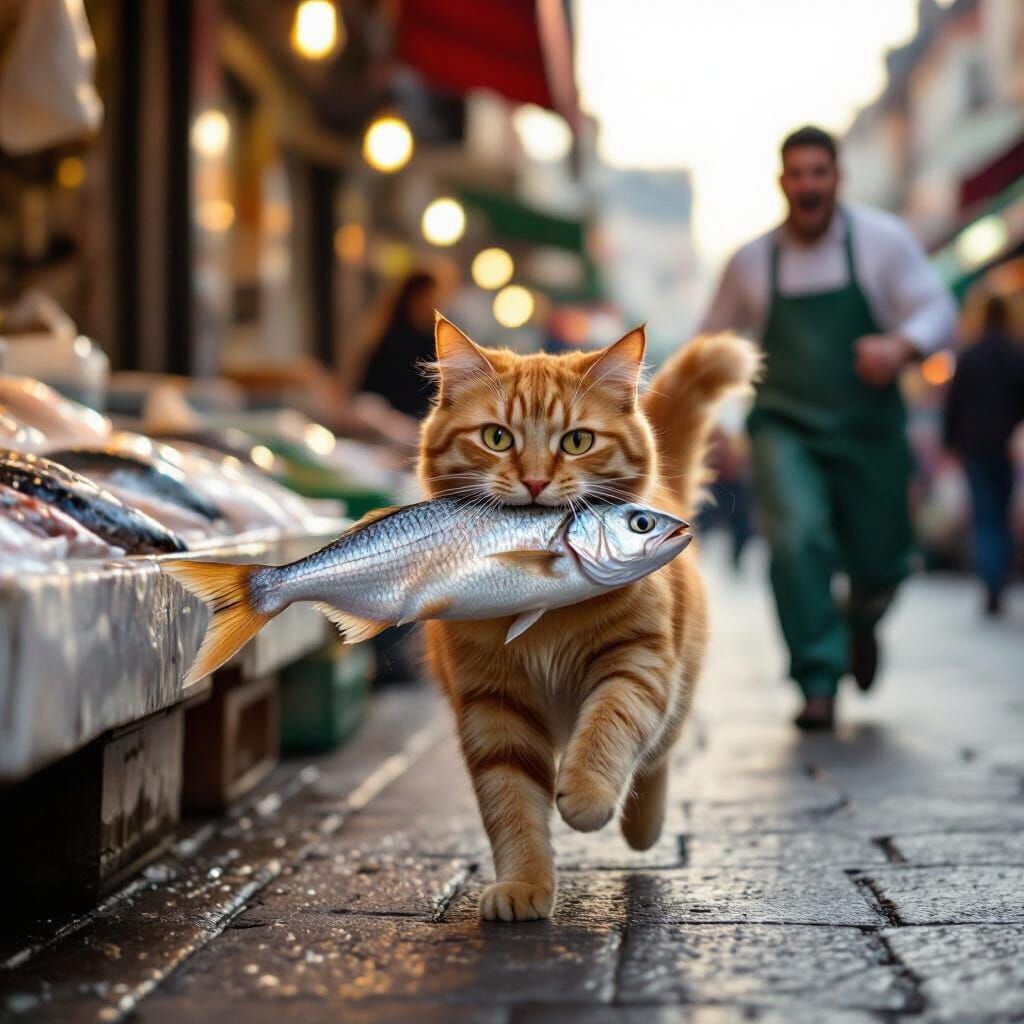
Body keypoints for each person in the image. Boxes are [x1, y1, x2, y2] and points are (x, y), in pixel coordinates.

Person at [699, 125, 957, 730]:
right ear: (782, 183)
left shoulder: (881, 242)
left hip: (869, 429)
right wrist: (701, 413)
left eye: (819, 173)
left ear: (837, 177)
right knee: (795, 540)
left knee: (884, 559)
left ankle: (860, 620)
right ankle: (817, 677)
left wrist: (900, 346)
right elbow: (709, 344)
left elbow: (937, 309)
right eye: (797, 175)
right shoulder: (752, 262)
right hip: (785, 428)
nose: (808, 185)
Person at [944, 293, 1024, 616]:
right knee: (1001, 512)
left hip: (975, 446)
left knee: (984, 514)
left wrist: (951, 441)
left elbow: (954, 403)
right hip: (1006, 446)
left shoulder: (970, 355)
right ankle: (997, 579)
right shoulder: (1016, 354)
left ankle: (990, 579)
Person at [356, 270, 441, 419]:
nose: (432, 303)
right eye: (426, 297)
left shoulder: (433, 341)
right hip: (382, 415)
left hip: (414, 421)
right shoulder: (390, 337)